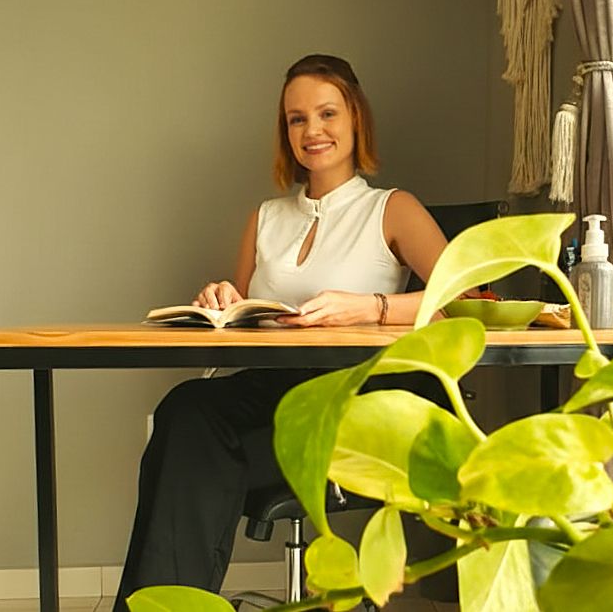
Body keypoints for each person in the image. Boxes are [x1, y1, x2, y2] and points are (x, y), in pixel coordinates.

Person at [114, 54, 448, 609]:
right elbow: (245, 319)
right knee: (185, 411)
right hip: (271, 386)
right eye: (297, 119)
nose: (312, 130)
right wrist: (224, 302)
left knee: (193, 453)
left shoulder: (391, 209)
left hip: (352, 395)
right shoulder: (266, 218)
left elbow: (466, 304)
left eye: (327, 113)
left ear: (356, 119)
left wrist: (369, 307)